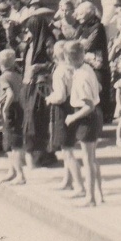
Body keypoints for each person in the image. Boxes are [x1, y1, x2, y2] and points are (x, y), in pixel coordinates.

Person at [64, 40, 104, 206]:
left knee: (87, 160)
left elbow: (88, 105)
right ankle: (99, 194)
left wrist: (73, 118)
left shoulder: (81, 77)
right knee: (93, 159)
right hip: (94, 117)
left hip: (85, 118)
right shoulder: (88, 69)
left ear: (68, 59)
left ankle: (91, 197)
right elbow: (99, 88)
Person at [20, 12, 58, 167]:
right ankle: (33, 155)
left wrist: (40, 66)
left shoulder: (49, 42)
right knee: (29, 120)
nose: (27, 33)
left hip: (41, 87)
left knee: (37, 121)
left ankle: (41, 155)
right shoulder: (32, 42)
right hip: (29, 84)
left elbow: (57, 62)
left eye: (30, 29)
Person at [45, 40, 82, 194]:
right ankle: (67, 180)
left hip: (62, 110)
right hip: (73, 107)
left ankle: (79, 185)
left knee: (67, 150)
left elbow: (60, 95)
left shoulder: (59, 71)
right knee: (68, 146)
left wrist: (49, 98)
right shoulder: (73, 69)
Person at [74, 1, 112, 124]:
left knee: (97, 96)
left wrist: (80, 43)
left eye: (80, 14)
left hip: (97, 67)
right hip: (84, 66)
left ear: (89, 13)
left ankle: (98, 126)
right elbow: (75, 44)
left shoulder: (98, 26)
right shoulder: (81, 27)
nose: (77, 16)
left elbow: (88, 45)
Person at [0, 49, 25, 185]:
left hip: (11, 109)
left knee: (13, 144)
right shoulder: (17, 75)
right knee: (10, 141)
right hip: (19, 108)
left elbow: (10, 94)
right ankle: (12, 171)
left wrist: (5, 108)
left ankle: (20, 174)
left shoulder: (3, 77)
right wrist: (1, 99)